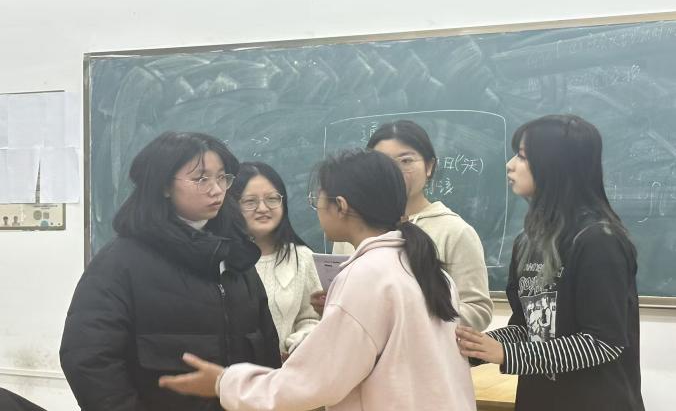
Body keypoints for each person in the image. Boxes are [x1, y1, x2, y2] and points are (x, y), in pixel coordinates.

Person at [158, 149, 477, 411]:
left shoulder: (367, 275)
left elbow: (313, 383)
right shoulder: (425, 267)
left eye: (318, 200)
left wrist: (224, 382)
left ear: (341, 206)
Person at [60, 132, 281, 411]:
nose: (216, 190)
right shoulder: (120, 263)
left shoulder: (235, 254)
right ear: (164, 185)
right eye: (201, 179)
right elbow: (88, 359)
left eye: (222, 178)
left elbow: (266, 347)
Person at [456, 115, 644, 411]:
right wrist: (476, 348)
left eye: (522, 156)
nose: (509, 165)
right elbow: (527, 329)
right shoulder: (527, 241)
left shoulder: (598, 240)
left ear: (556, 165)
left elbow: (604, 342)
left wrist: (506, 354)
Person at [324, 119, 492, 330]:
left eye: (406, 161)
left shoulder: (455, 231)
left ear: (429, 166)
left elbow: (478, 311)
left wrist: (409, 316)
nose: (394, 170)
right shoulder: (351, 226)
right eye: (383, 163)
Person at [228, 162, 322, 361]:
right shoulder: (221, 259)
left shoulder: (302, 258)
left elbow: (312, 318)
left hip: (287, 371)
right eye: (250, 201)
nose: (263, 208)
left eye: (272, 199)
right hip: (234, 372)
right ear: (232, 206)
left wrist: (298, 343)